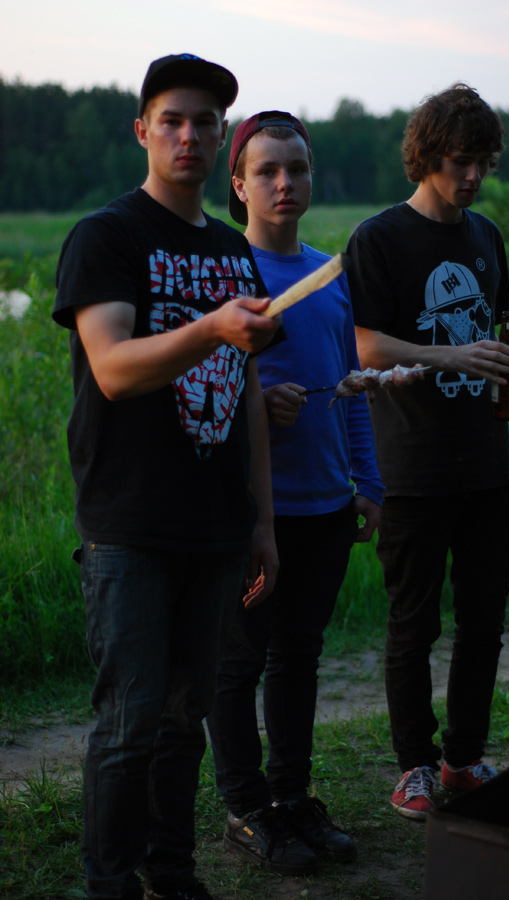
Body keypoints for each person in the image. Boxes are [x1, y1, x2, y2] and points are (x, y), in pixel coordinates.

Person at [52, 54, 281, 900]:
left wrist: (261, 521)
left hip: (217, 525)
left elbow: (248, 394)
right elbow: (113, 368)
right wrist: (213, 327)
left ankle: (172, 873)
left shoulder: (231, 252)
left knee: (187, 719)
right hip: (130, 523)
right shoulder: (107, 236)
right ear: (143, 130)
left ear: (221, 140)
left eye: (205, 123)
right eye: (173, 120)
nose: (189, 135)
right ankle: (108, 883)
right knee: (130, 722)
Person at [345, 83, 509, 821]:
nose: (473, 176)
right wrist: (454, 357)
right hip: (411, 467)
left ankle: (462, 760)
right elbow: (365, 345)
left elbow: (494, 338)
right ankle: (413, 767)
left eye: (484, 162)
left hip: (489, 465)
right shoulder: (378, 238)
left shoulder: (486, 235)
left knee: (484, 622)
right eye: (461, 160)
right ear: (428, 155)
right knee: (414, 625)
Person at [205, 111, 384, 874]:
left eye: (298, 169)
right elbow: (197, 391)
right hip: (252, 514)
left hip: (324, 504)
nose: (285, 183)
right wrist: (256, 406)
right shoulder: (224, 274)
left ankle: (290, 796)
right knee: (238, 662)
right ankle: (246, 809)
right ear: (238, 184)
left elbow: (351, 388)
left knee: (299, 656)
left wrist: (368, 481)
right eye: (268, 171)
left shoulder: (328, 277)